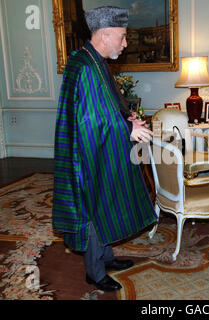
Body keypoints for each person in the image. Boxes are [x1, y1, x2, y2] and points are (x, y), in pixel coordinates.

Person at [52, 6, 157, 292]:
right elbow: (90, 119)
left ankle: (106, 257)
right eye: (122, 37)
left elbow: (105, 106)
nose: (125, 43)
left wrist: (127, 118)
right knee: (94, 207)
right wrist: (128, 129)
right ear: (106, 34)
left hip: (98, 148)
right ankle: (94, 272)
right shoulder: (85, 66)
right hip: (88, 154)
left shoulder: (95, 61)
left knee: (108, 201)